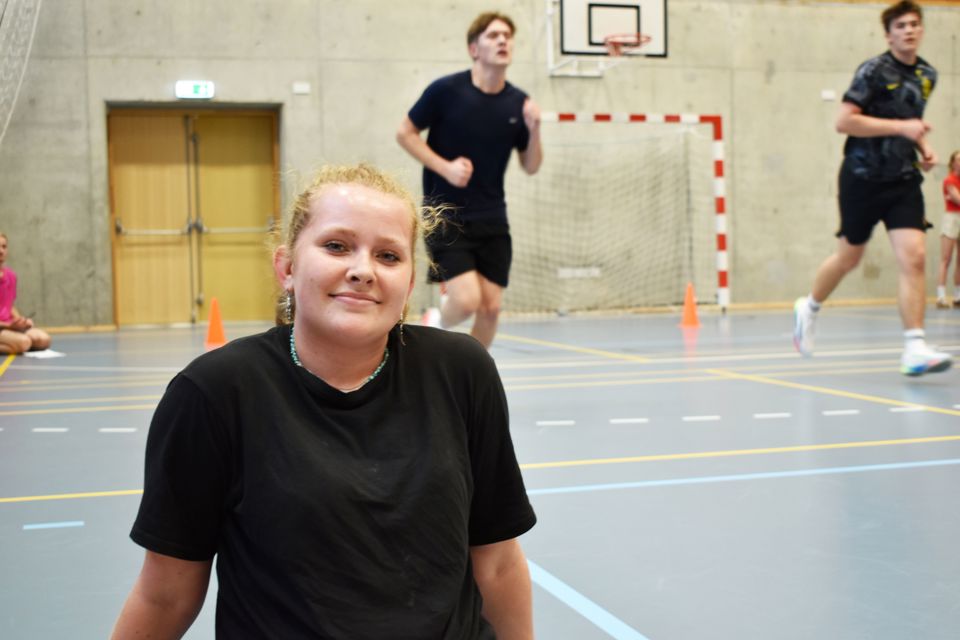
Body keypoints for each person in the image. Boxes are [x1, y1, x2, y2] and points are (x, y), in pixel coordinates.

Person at [111, 164, 537, 639]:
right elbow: (165, 594)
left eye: (389, 256)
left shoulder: (461, 371)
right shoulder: (215, 392)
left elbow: (498, 563)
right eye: (336, 246)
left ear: (410, 283)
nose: (362, 270)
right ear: (287, 268)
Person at [793, 1, 951, 377]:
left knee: (913, 257)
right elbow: (844, 122)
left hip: (902, 180)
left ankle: (914, 346)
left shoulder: (928, 74)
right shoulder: (873, 70)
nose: (908, 30)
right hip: (861, 177)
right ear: (888, 34)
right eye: (900, 26)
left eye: (914, 24)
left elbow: (911, 120)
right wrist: (902, 130)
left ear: (921, 29)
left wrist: (923, 148)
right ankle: (809, 307)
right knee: (849, 258)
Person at [396, 11, 543, 349]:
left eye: (507, 35)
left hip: (492, 218)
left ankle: (476, 378)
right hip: (445, 214)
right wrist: (444, 167)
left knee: (491, 309)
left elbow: (531, 165)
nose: (503, 40)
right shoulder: (445, 91)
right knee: (465, 301)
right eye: (493, 36)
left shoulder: (519, 103)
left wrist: (535, 129)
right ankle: (434, 323)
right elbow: (405, 133)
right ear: (474, 48)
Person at [0, 232, 51, 355]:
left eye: (4, 247)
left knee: (43, 340)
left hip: (9, 326)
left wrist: (20, 321)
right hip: (3, 327)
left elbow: (9, 306)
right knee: (24, 343)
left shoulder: (11, 276)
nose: (1, 251)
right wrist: (9, 326)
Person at [935, 150, 960, 308]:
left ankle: (958, 296)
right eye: (958, 159)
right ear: (952, 163)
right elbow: (958, 200)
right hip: (951, 219)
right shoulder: (949, 180)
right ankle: (941, 297)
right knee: (946, 258)